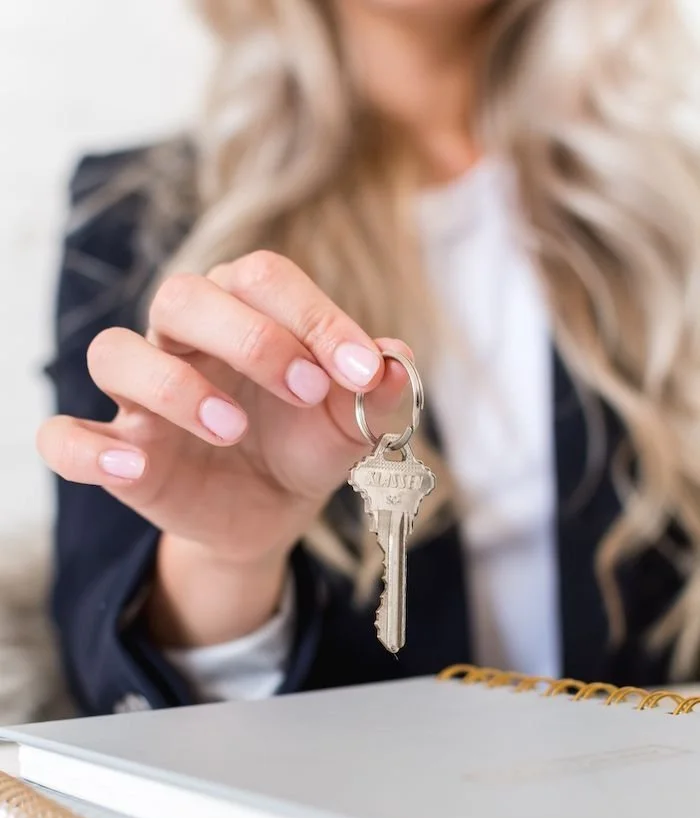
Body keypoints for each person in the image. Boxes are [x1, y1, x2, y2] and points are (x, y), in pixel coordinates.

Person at [37, 0, 700, 716]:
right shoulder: (139, 219)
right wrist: (229, 560)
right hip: (325, 813)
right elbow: (111, 689)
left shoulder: (674, 213)